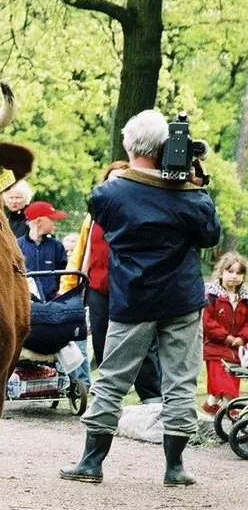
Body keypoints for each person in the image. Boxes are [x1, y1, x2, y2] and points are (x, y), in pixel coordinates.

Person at [60, 110, 222, 487]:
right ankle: (175, 467)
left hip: (132, 299)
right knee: (181, 382)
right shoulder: (190, 199)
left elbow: (108, 209)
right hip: (181, 299)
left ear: (128, 146)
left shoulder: (107, 195)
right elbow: (210, 235)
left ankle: (91, 461)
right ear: (167, 147)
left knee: (113, 378)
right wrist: (193, 184)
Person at [64, 162, 162, 402]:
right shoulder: (95, 214)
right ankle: (109, 397)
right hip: (99, 285)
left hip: (132, 287)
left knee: (143, 343)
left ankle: (151, 397)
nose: (115, 184)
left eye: (122, 179)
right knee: (101, 340)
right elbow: (83, 250)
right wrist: (71, 283)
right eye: (111, 180)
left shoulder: (141, 209)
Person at [200, 252, 248, 417]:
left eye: (239, 273)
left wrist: (242, 337)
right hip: (215, 348)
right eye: (230, 271)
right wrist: (226, 337)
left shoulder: (244, 299)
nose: (234, 276)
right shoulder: (212, 296)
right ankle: (233, 414)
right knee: (222, 382)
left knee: (231, 382)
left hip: (236, 351)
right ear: (221, 273)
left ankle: (210, 406)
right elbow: (207, 322)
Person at [17, 201, 69, 300]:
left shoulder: (57, 247)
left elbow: (63, 276)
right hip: (25, 302)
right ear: (39, 221)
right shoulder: (17, 246)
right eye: (52, 220)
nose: (55, 223)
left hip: (52, 303)